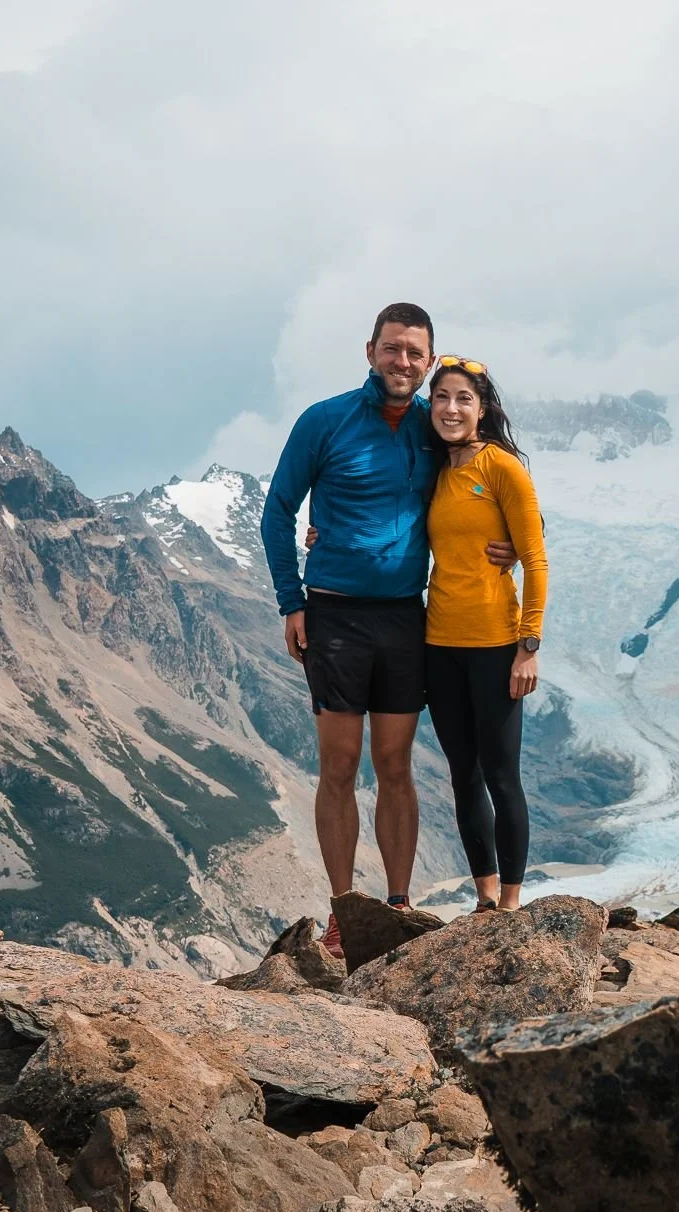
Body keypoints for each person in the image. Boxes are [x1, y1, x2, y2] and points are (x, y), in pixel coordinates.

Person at [259, 303, 514, 956]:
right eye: (393, 349)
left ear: (429, 362)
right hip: (335, 615)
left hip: (406, 618)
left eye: (415, 353)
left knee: (395, 765)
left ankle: (397, 906)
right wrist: (293, 602)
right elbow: (278, 509)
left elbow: (499, 481)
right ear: (370, 350)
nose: (404, 362)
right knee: (339, 765)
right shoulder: (325, 421)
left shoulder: (437, 430)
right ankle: (345, 912)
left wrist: (509, 543)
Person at [423, 356, 547, 912]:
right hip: (439, 644)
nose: (451, 409)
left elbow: (537, 560)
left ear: (482, 408)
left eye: (463, 399)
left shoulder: (502, 468)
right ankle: (485, 897)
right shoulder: (434, 468)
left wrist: (528, 647)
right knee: (462, 777)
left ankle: (513, 905)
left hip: (497, 647)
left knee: (501, 777)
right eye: (442, 397)